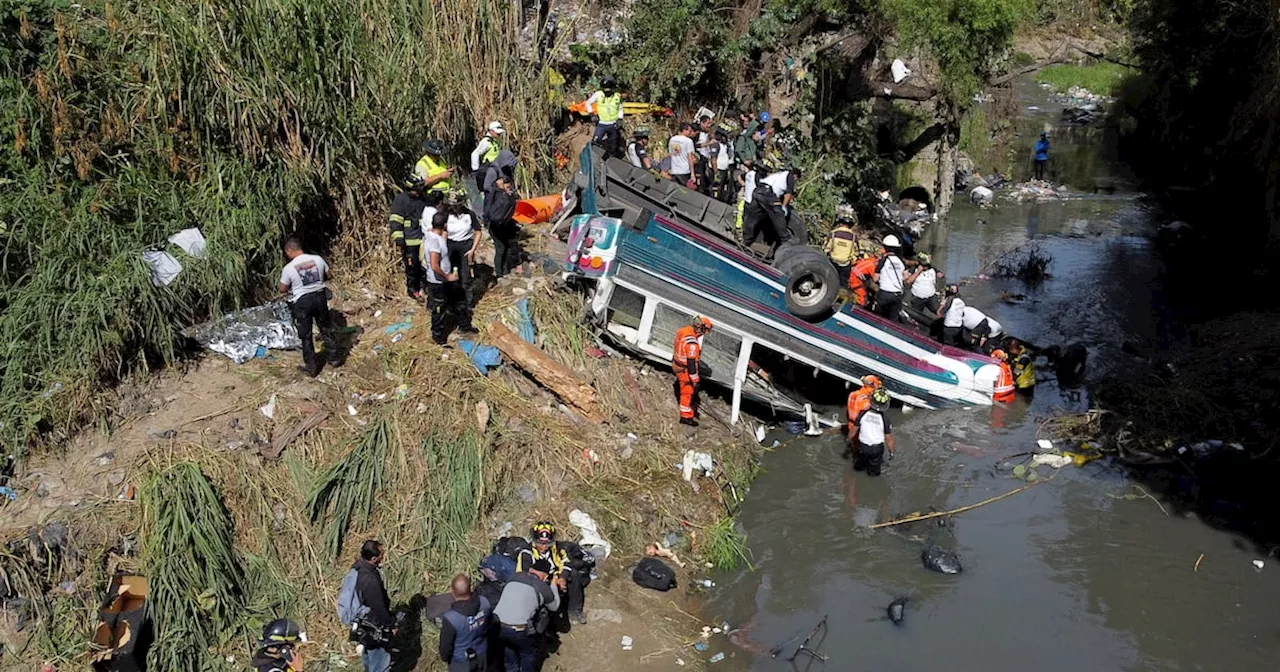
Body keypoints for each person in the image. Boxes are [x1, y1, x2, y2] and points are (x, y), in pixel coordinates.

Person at [278, 238, 339, 377]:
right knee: (325, 327)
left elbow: (282, 289)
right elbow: (329, 275)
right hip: (320, 297)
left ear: (289, 251)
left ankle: (311, 367)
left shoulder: (288, 268)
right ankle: (335, 358)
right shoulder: (317, 259)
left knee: (306, 335)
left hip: (303, 302)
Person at [515, 522, 594, 625]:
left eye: (547, 544)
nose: (544, 547)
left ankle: (575, 610)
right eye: (541, 544)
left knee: (574, 574)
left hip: (555, 580)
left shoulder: (557, 548)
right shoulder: (526, 552)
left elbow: (566, 562)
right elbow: (524, 571)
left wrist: (562, 577)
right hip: (537, 584)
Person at [493, 565, 560, 672]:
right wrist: (553, 585)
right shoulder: (542, 586)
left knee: (509, 657)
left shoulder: (515, 576)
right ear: (544, 575)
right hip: (519, 630)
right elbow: (554, 606)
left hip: (497, 625)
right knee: (528, 655)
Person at [422, 211, 474, 345]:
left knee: (459, 300)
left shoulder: (434, 235)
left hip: (444, 280)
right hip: (438, 282)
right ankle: (438, 337)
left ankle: (464, 326)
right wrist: (447, 276)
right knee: (439, 309)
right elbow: (434, 265)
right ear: (445, 225)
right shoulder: (434, 241)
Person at [353, 540, 395, 672]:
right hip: (374, 625)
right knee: (380, 663)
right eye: (381, 554)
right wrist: (390, 625)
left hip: (363, 623)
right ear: (373, 558)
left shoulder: (358, 568)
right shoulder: (370, 580)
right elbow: (378, 607)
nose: (383, 556)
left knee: (369, 657)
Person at [440, 574, 492, 672]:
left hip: (461, 662)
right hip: (482, 655)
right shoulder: (484, 603)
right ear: (471, 588)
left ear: (452, 591)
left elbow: (445, 647)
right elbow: (489, 625)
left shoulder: (451, 618)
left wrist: (445, 658)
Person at [389, 174, 429, 299]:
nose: (419, 191)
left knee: (424, 266)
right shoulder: (401, 200)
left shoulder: (422, 199)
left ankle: (424, 287)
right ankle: (413, 290)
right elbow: (395, 221)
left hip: (422, 239)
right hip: (409, 241)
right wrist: (399, 238)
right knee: (412, 267)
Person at [443, 191, 484, 309]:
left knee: (465, 274)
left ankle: (468, 303)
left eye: (456, 205)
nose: (454, 208)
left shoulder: (469, 214)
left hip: (465, 245)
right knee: (450, 272)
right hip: (450, 245)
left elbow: (478, 231)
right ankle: (452, 301)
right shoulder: (447, 214)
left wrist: (472, 249)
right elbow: (444, 231)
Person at [743, 166, 799, 249]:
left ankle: (746, 241)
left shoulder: (779, 174)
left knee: (753, 217)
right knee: (778, 214)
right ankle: (786, 239)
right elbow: (788, 194)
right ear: (796, 176)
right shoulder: (790, 176)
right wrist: (784, 207)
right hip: (767, 193)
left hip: (758, 192)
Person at [672, 315, 712, 427]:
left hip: (676, 363)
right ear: (701, 328)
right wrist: (695, 379)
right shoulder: (692, 344)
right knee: (687, 392)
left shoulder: (682, 331)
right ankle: (685, 417)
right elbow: (691, 363)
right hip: (685, 370)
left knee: (685, 390)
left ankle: (688, 412)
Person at [485, 170, 522, 279]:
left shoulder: (505, 195)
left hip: (503, 225)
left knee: (505, 247)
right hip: (495, 226)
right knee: (500, 248)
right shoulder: (496, 193)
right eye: (507, 186)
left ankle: (505, 270)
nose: (508, 188)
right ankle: (499, 273)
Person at [852, 388, 895, 476]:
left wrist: (848, 439)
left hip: (863, 446)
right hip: (876, 449)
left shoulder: (863, 413)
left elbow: (854, 429)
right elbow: (888, 438)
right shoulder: (885, 419)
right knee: (874, 471)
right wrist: (891, 451)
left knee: (859, 465)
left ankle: (857, 474)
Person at [585, 76, 624, 157]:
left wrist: (620, 119)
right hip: (601, 124)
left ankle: (611, 159)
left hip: (613, 124)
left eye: (609, 91)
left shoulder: (617, 96)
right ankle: (593, 157)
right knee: (595, 142)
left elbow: (620, 109)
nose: (606, 93)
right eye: (605, 90)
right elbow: (587, 103)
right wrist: (591, 114)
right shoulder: (598, 94)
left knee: (613, 145)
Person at [845, 374, 882, 458]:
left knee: (854, 446)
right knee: (862, 451)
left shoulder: (853, 394)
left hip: (851, 425)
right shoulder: (866, 401)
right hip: (860, 428)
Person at [872, 235, 906, 321]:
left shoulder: (883, 260)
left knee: (879, 318)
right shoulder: (901, 261)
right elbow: (905, 277)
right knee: (893, 320)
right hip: (897, 294)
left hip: (885, 293)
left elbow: (875, 278)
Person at [824, 205, 858, 286]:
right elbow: (856, 252)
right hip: (845, 264)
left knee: (829, 282)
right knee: (843, 283)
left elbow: (826, 248)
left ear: (840, 223)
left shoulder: (833, 233)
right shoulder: (853, 237)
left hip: (833, 262)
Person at [667, 123, 697, 188]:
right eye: (689, 131)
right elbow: (690, 157)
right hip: (684, 170)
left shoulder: (672, 139)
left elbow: (670, 154)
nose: (690, 133)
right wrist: (692, 174)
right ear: (684, 130)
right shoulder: (688, 141)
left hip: (674, 170)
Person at [711, 123, 736, 203]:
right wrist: (716, 173)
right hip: (718, 170)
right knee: (716, 190)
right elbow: (713, 159)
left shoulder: (724, 145)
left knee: (722, 190)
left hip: (724, 170)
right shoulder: (716, 144)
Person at [695, 115, 716, 195]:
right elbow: (694, 145)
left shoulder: (706, 133)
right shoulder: (697, 133)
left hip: (705, 159)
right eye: (708, 123)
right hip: (699, 159)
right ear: (702, 123)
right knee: (700, 178)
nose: (709, 125)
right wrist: (708, 143)